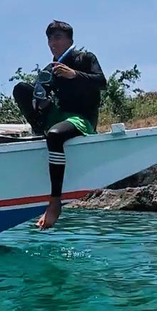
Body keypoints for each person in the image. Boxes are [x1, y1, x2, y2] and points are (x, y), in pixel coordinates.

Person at [13, 20, 106, 230]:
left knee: (54, 136)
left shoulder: (85, 58)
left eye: (57, 37)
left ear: (69, 40)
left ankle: (54, 202)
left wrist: (74, 75)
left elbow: (102, 82)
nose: (52, 42)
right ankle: (38, 129)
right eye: (49, 38)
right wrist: (41, 101)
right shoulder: (50, 68)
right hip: (57, 115)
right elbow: (39, 94)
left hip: (81, 118)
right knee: (21, 88)